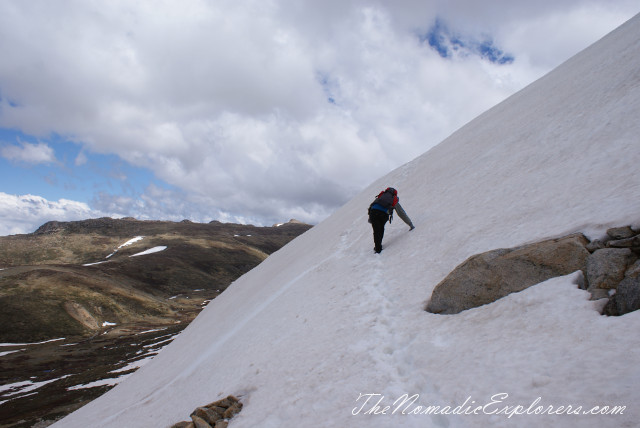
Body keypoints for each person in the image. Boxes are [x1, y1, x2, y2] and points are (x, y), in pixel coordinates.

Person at [367, 187, 414, 253]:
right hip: (383, 214)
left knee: (376, 230)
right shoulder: (393, 199)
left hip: (373, 212)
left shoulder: (381, 195)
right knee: (381, 229)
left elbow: (372, 205)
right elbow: (401, 213)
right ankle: (378, 248)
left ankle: (378, 248)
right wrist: (410, 224)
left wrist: (370, 217)